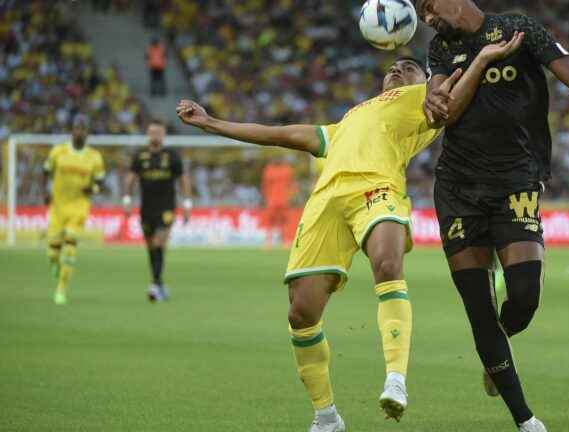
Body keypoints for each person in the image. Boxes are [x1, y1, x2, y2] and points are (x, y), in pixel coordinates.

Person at [177, 42, 521, 432]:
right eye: (392, 67)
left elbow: (455, 100)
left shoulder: (422, 101)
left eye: (408, 67)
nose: (396, 69)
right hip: (326, 203)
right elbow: (279, 134)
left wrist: (481, 60)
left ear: (426, 80)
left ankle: (396, 379)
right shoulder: (347, 121)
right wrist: (210, 123)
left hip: (377, 190)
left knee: (388, 263)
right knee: (300, 312)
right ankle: (326, 417)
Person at [415, 1, 569, 431]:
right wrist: (468, 70)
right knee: (479, 308)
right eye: (421, 14)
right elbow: (445, 112)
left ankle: (498, 351)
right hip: (458, 188)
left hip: (516, 182)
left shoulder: (519, 28)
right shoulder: (440, 50)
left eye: (429, 7)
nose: (427, 19)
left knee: (524, 297)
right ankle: (525, 420)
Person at [123, 119, 192, 302]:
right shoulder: (140, 155)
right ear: (148, 134)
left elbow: (183, 180)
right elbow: (130, 178)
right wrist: (127, 200)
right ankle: (159, 283)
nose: (155, 136)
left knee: (160, 242)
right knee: (150, 246)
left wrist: (187, 204)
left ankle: (154, 285)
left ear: (164, 135)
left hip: (167, 207)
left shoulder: (172, 156)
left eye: (159, 133)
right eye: (152, 132)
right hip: (147, 208)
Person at [42, 114, 106, 305]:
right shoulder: (58, 152)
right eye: (77, 128)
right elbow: (45, 172)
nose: (80, 132)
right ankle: (55, 263)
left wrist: (92, 188)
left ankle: (61, 290)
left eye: (83, 129)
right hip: (58, 206)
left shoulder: (94, 157)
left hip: (79, 207)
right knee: (53, 252)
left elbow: (100, 184)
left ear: (87, 133)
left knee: (70, 247)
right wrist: (45, 191)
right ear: (72, 130)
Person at [260, 156, 298, 247]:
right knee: (274, 221)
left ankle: (283, 241)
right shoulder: (285, 169)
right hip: (275, 200)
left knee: (282, 221)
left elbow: (292, 185)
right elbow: (265, 186)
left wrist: (291, 196)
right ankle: (270, 241)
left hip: (279, 200)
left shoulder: (272, 170)